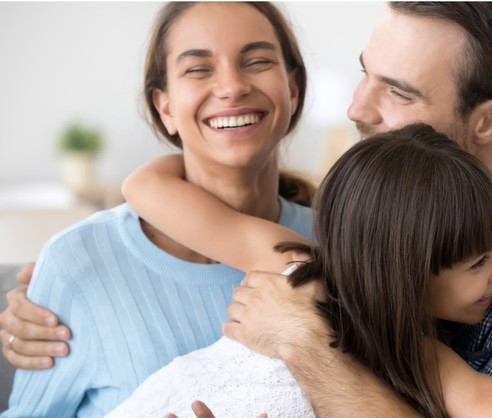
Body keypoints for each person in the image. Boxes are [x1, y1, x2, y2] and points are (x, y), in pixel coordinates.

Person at [2, 2, 492, 416]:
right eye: (367, 74)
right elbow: (156, 194)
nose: (357, 108)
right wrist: (73, 266)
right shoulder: (332, 248)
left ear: (491, 119)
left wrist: (306, 344)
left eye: (397, 90)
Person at [108, 123, 492, 418]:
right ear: (406, 273)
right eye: (480, 261)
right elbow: (143, 192)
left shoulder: (307, 270)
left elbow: (148, 187)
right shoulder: (405, 341)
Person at [1, 2, 313, 416]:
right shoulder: (78, 262)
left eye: (256, 61)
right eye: (198, 69)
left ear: (292, 89)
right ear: (165, 107)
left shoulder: (343, 243)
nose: (232, 87)